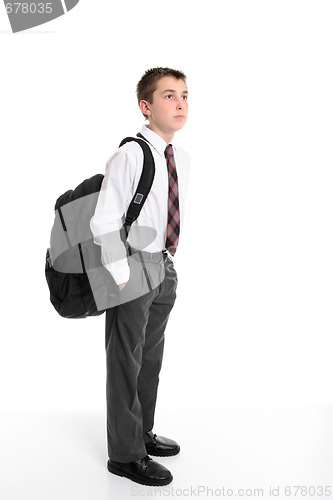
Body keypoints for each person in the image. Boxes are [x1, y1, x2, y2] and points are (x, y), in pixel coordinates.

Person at [90, 67, 190, 486]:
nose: (181, 102)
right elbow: (104, 220)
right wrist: (120, 272)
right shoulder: (131, 153)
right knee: (125, 362)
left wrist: (166, 263)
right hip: (132, 265)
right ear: (146, 106)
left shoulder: (177, 155)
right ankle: (125, 454)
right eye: (169, 95)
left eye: (185, 94)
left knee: (150, 358)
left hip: (162, 264)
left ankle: (142, 432)